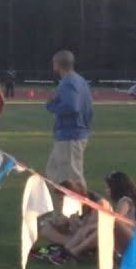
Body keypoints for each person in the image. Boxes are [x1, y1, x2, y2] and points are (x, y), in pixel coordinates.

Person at [43, 50, 92, 189]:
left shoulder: (68, 82)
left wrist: (51, 104)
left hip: (70, 135)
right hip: (74, 133)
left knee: (71, 178)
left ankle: (81, 209)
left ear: (57, 64)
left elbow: (72, 107)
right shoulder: (80, 80)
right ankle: (62, 208)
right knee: (54, 173)